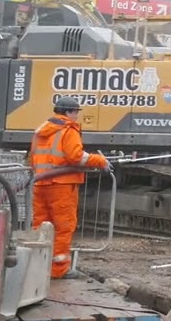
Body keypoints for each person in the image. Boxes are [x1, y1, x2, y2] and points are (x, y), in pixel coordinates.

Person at [27, 97, 111, 280]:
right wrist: (100, 160)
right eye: (75, 112)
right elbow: (76, 157)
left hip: (41, 184)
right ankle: (58, 269)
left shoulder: (41, 131)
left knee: (40, 226)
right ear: (68, 112)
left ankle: (36, 265)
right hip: (62, 186)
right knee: (63, 227)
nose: (77, 116)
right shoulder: (69, 130)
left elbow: (32, 158)